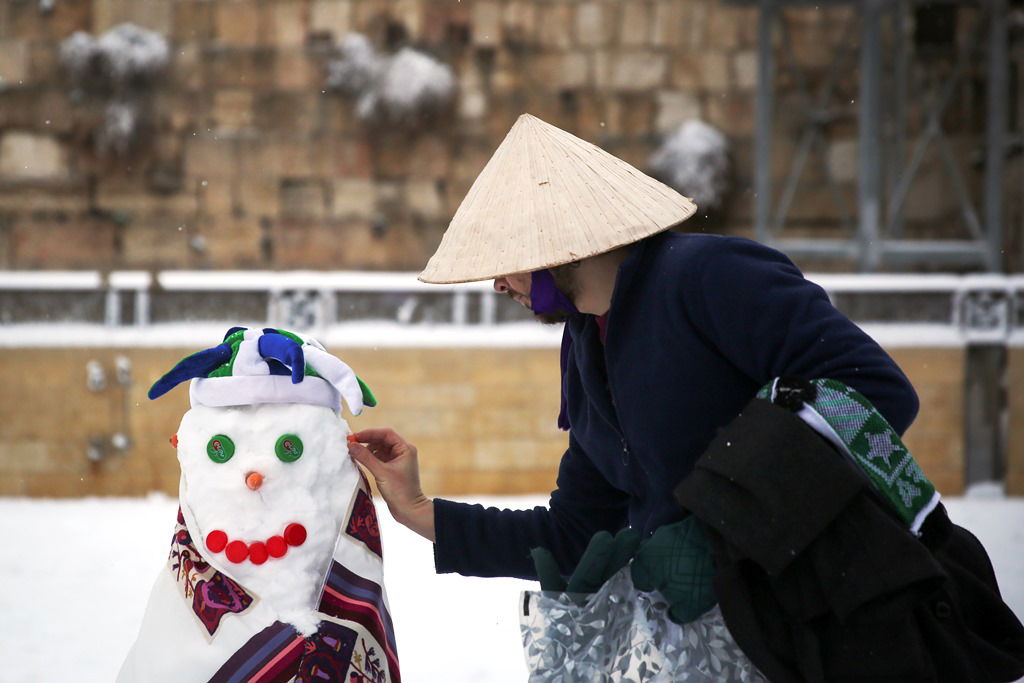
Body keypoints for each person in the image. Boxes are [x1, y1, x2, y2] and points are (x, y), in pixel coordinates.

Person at [347, 113, 918, 578]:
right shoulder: (583, 343)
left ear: (560, 245)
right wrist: (420, 512)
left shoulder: (710, 275)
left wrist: (725, 516)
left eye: (506, 263)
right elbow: (577, 536)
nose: (498, 285)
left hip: (824, 617)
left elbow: (874, 391)